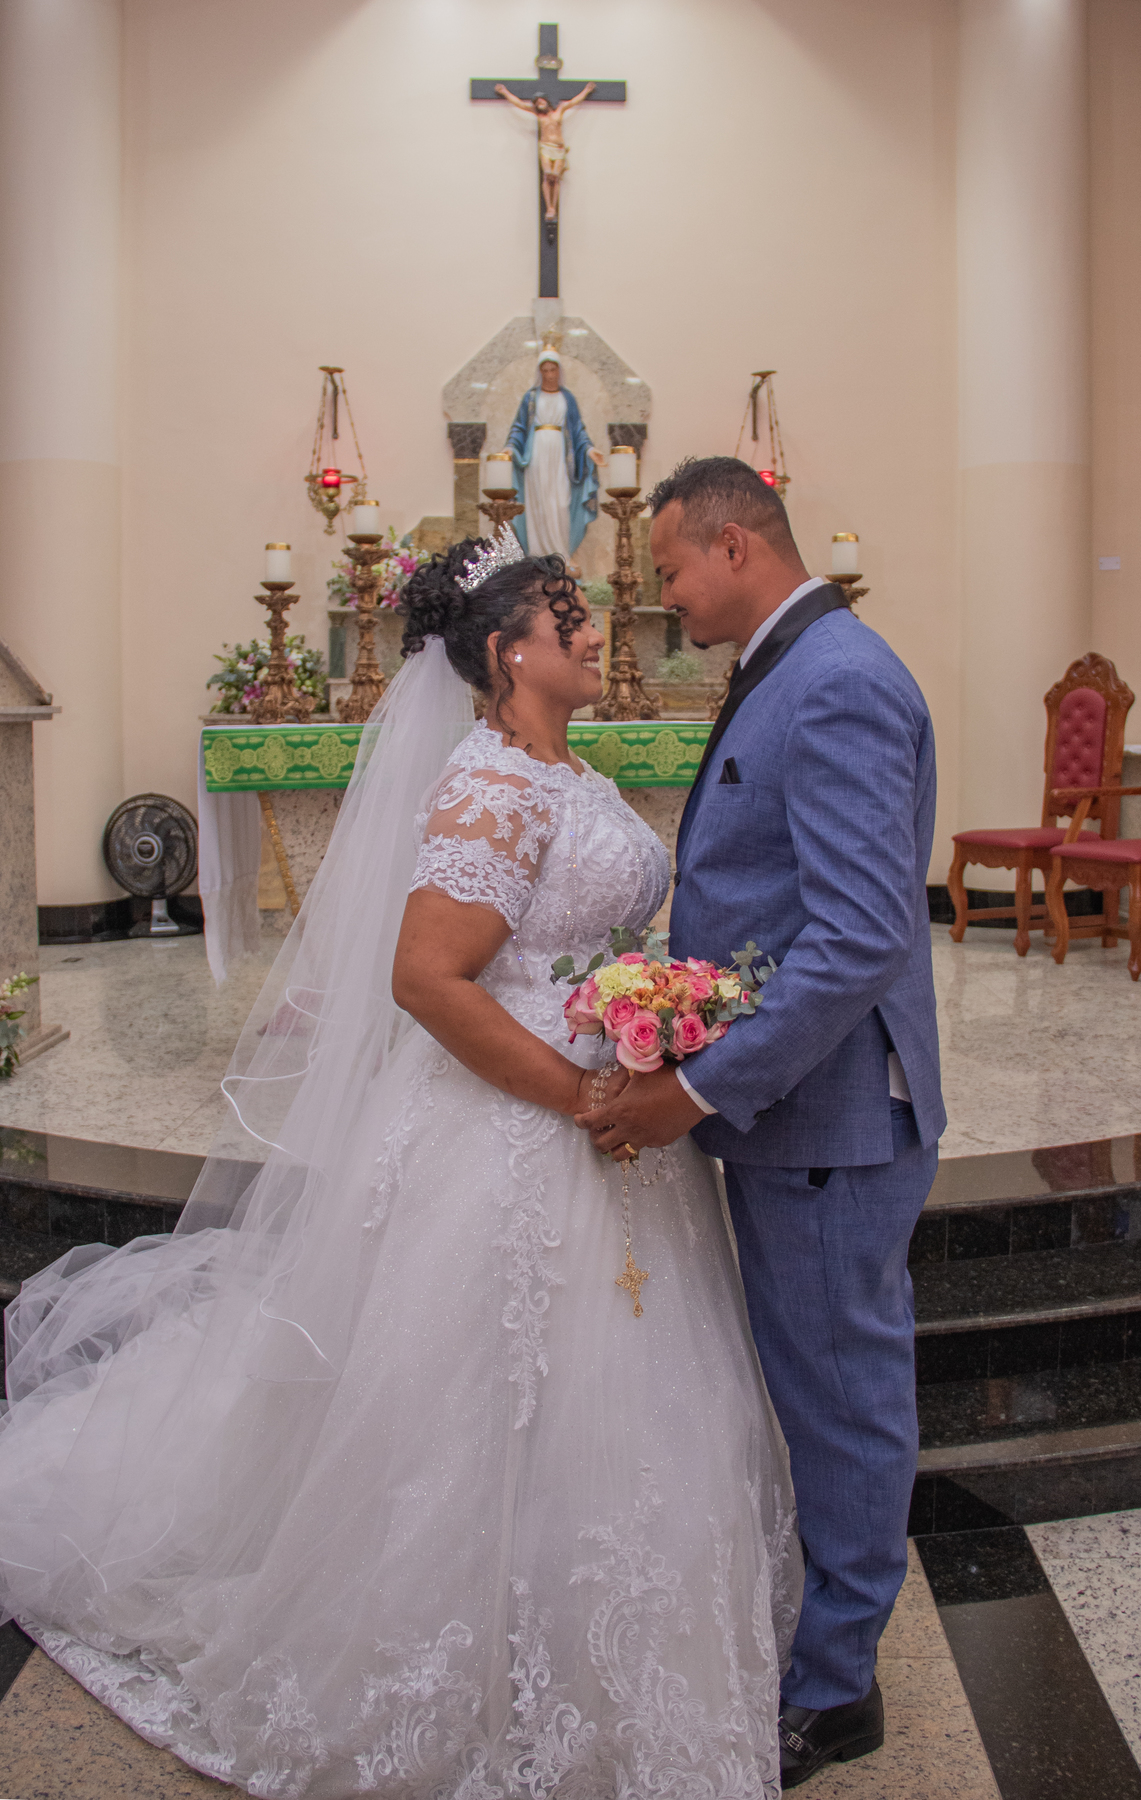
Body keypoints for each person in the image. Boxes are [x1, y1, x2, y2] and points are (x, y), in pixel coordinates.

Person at [0, 526, 802, 1797]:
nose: (596, 626)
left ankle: (586, 1638)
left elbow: (574, 930)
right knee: (479, 1397)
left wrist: (648, 1006)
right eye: (568, 613)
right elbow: (427, 979)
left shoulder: (570, 769)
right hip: (519, 1125)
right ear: (508, 651)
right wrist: (579, 1090)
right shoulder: (490, 785)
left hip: (615, 1120)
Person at [578, 457, 945, 1788]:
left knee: (843, 1397)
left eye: (673, 568)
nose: (665, 597)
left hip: (829, 1120)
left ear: (735, 546)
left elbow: (855, 940)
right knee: (815, 1382)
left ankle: (837, 1688)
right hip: (798, 1111)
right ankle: (821, 1636)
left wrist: (691, 1086)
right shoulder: (791, 664)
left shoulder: (836, 678)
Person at [505, 347, 602, 565]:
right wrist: (511, 447)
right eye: (545, 370)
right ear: (540, 372)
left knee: (559, 503)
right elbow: (519, 427)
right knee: (538, 502)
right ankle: (537, 555)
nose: (549, 375)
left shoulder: (567, 398)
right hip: (536, 455)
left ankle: (560, 553)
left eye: (553, 370)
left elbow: (578, 429)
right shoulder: (531, 397)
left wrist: (589, 450)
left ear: (559, 371)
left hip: (561, 456)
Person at [493, 82, 595, 231]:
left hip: (559, 148)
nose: (540, 105)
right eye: (537, 103)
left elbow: (574, 102)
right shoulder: (538, 115)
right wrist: (505, 92)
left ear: (547, 101)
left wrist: (586, 91)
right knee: (547, 175)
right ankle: (549, 207)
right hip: (546, 147)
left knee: (556, 177)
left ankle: (554, 205)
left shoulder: (560, 110)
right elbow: (520, 104)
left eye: (541, 101)